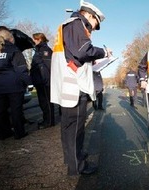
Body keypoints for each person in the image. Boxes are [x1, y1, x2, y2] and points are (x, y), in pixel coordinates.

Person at [50, 1, 112, 176]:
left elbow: (75, 55)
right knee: (75, 127)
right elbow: (84, 51)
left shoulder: (69, 26)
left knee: (69, 126)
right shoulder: (76, 24)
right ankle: (77, 165)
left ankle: (73, 157)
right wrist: (104, 53)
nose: (93, 29)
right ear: (90, 16)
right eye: (95, 24)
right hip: (74, 86)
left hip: (69, 83)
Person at [0, 28, 32, 140]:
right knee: (16, 110)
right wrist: (28, 83)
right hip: (14, 84)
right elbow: (21, 69)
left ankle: (4, 133)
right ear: (10, 38)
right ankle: (19, 133)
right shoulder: (13, 49)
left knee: (0, 110)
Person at [30, 33, 55, 129]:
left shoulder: (45, 50)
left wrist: (45, 79)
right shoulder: (38, 50)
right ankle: (46, 120)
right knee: (43, 102)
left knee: (47, 102)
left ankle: (49, 122)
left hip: (44, 81)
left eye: (35, 39)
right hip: (39, 80)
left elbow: (48, 66)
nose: (33, 41)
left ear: (39, 39)